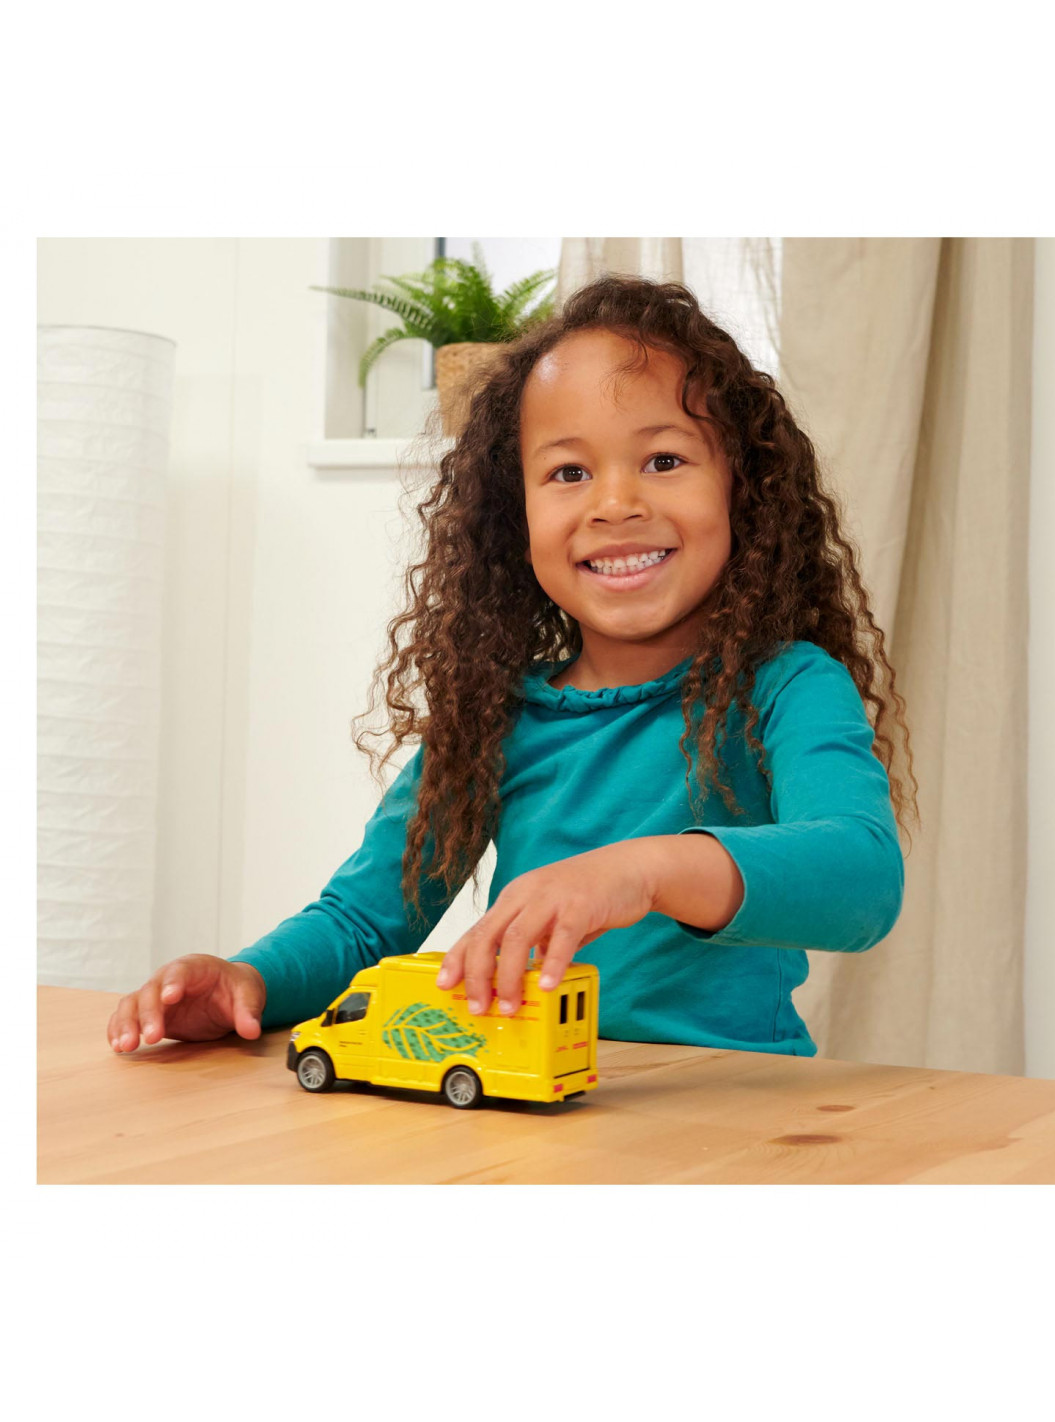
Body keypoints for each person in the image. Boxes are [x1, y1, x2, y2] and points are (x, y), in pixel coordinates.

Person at [107, 274, 918, 1059]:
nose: (615, 504)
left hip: (728, 1110)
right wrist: (248, 979)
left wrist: (645, 871)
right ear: (513, 517)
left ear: (744, 489)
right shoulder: (494, 718)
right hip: (528, 1099)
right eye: (569, 473)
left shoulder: (788, 687)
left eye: (665, 460)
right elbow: (361, 924)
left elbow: (862, 879)